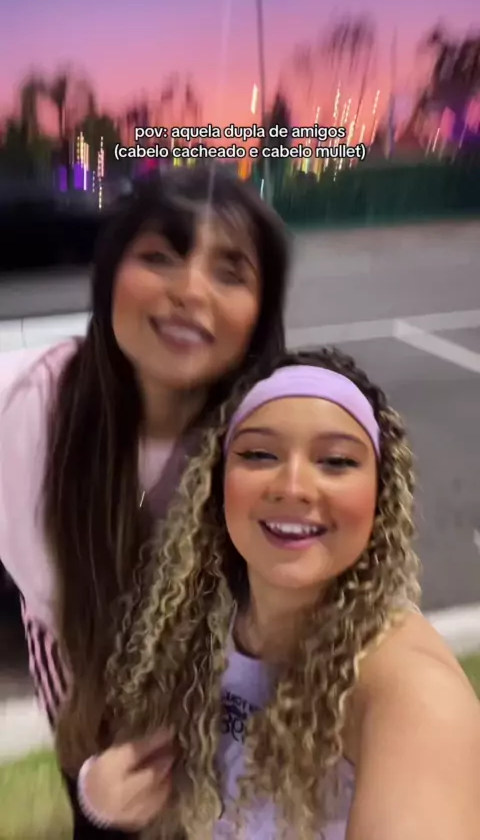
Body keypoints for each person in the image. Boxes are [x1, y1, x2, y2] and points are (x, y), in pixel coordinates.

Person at [80, 348, 480, 839]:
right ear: (217, 482)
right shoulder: (199, 625)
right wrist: (99, 795)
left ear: (380, 496)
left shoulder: (414, 696)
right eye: (259, 455)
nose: (293, 487)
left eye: (336, 461)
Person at [0, 165, 290, 838]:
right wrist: (94, 796)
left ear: (262, 311)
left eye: (230, 272)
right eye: (160, 257)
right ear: (109, 276)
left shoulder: (282, 436)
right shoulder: (27, 407)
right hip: (78, 655)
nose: (190, 291)